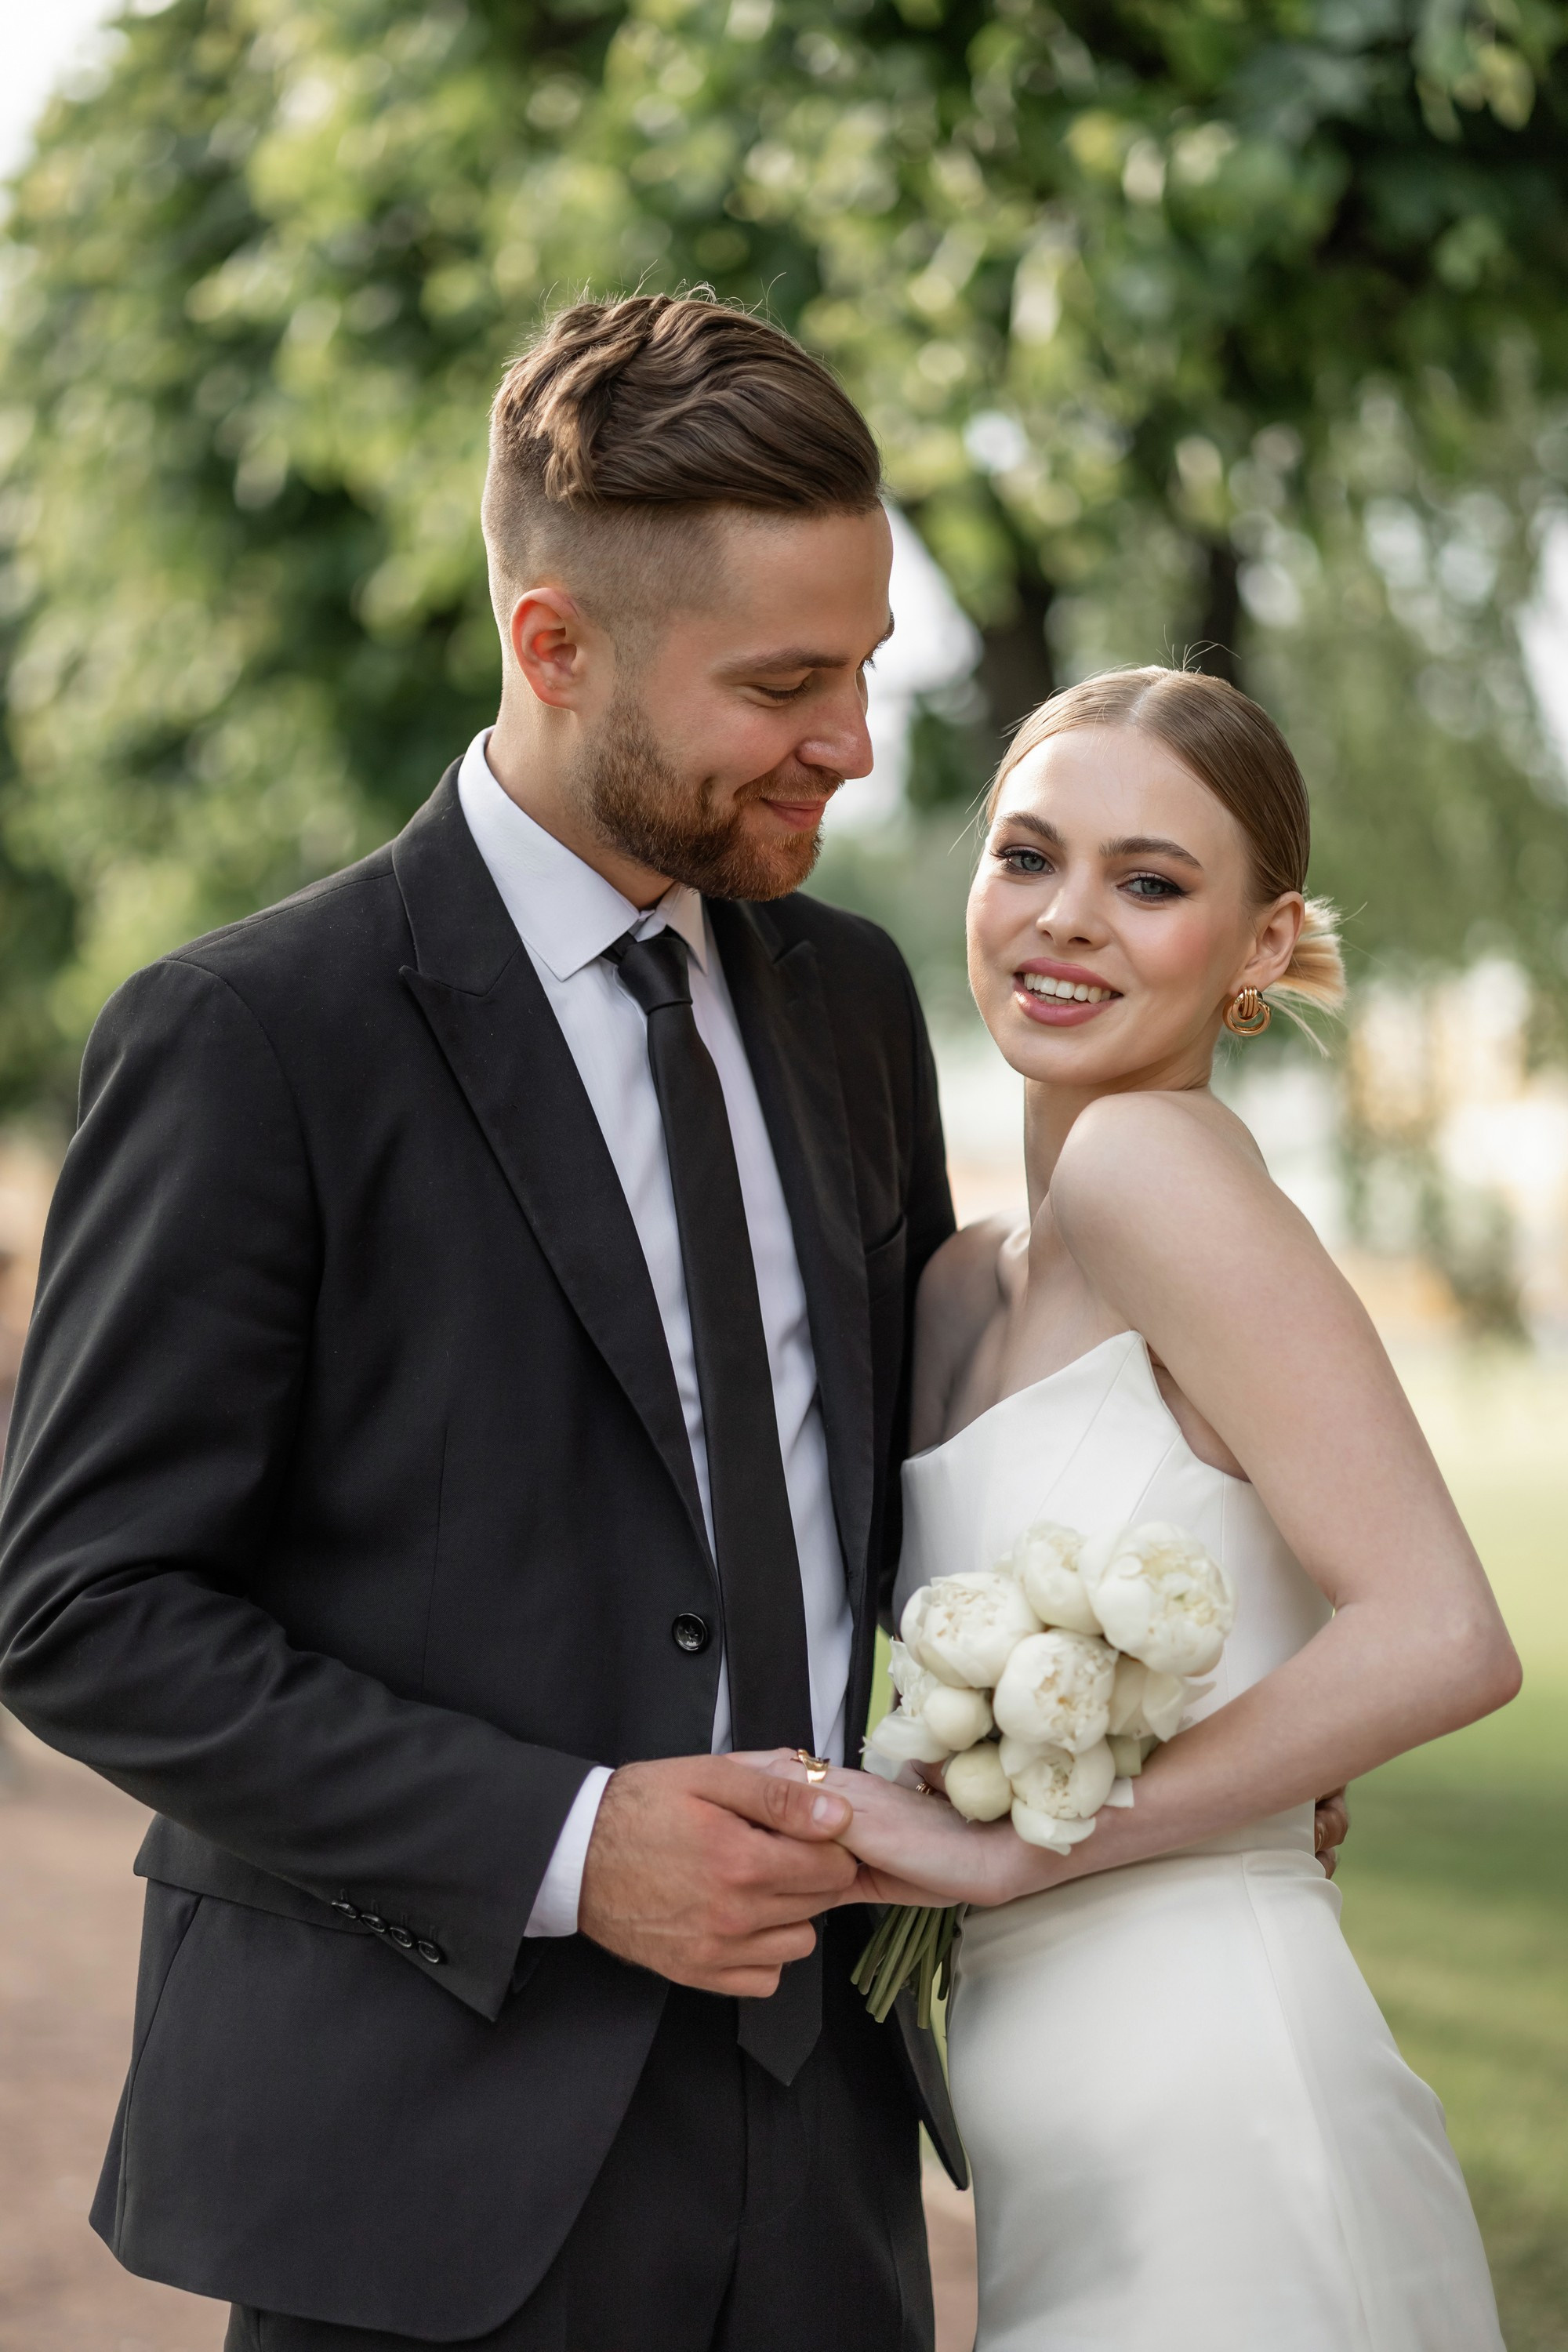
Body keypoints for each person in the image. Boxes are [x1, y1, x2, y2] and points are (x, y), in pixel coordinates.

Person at [0, 293, 964, 2350]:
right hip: (419, 2172)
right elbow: (83, 1606)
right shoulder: (254, 1037)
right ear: (554, 645)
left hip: (823, 2170)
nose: (854, 746)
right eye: (786, 684)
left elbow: (923, 1497)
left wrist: (1190, 1753)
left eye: (865, 670)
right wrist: (568, 1842)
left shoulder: (862, 1005)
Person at [761, 666, 1519, 2350]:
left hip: (1224, 2107)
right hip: (1065, 2139)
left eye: (1152, 882)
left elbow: (1442, 1636)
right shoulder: (958, 1285)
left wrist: (1001, 1849)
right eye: (1027, 856)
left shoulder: (1147, 1166)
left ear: (1259, 948)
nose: (1068, 920)